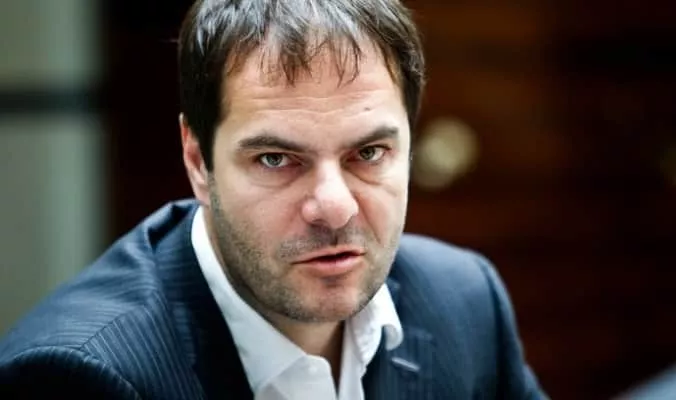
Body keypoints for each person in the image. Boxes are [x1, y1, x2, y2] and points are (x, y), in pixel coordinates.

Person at [0, 0, 546, 398]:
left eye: (368, 153)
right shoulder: (80, 377)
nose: (334, 207)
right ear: (198, 160)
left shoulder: (464, 302)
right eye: (276, 159)